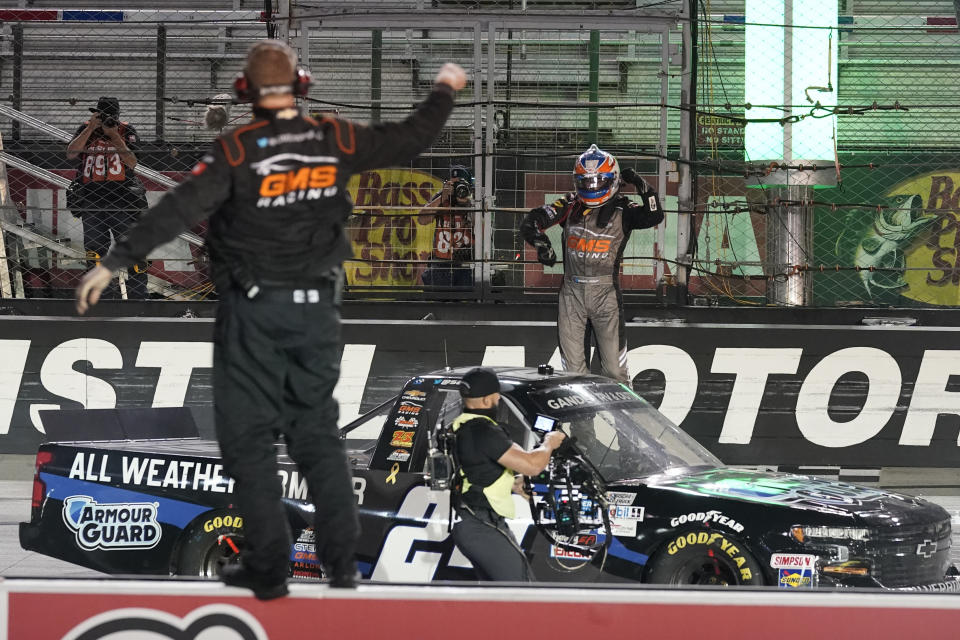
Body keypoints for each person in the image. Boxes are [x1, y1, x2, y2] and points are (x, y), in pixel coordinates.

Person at [75, 39, 467, 599]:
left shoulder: (236, 149)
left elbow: (179, 207)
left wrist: (114, 261)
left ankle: (270, 565)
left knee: (248, 440)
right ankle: (341, 567)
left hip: (253, 314)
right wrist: (444, 89)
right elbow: (413, 137)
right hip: (317, 313)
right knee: (317, 438)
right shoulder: (333, 137)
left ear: (244, 92)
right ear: (301, 85)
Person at [520, 144, 663, 383]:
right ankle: (580, 421)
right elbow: (532, 220)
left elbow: (654, 215)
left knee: (615, 373)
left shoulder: (624, 209)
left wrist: (641, 184)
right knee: (573, 374)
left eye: (598, 181)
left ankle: (622, 419)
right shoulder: (569, 204)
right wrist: (541, 242)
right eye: (586, 182)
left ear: (613, 180)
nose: (592, 187)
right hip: (571, 295)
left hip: (606, 295)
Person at [451, 367, 565, 581]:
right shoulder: (483, 430)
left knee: (496, 598)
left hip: (469, 522)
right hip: (482, 525)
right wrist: (549, 443)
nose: (498, 401)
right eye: (497, 396)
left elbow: (475, 471)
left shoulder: (460, 426)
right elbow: (532, 465)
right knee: (522, 592)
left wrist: (511, 484)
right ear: (486, 401)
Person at [66, 96, 149, 299]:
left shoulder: (126, 130)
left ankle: (138, 297)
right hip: (92, 199)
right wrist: (89, 129)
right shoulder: (86, 129)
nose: (105, 120)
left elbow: (132, 162)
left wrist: (114, 136)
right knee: (95, 253)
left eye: (109, 116)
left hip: (123, 200)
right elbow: (70, 153)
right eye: (101, 116)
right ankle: (101, 297)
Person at [420, 165, 475, 288]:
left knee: (467, 302)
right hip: (440, 263)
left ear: (469, 186)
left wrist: (468, 202)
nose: (458, 189)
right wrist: (442, 198)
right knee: (439, 302)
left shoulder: (474, 201)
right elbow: (422, 219)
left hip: (466, 264)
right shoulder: (442, 198)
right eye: (453, 184)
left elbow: (482, 229)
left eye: (461, 184)